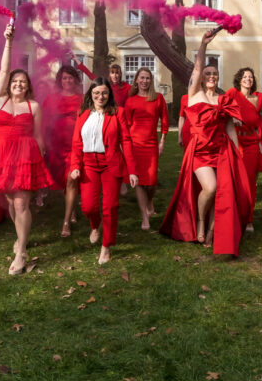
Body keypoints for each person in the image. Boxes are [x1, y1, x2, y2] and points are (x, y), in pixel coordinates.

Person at [160, 29, 251, 255]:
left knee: (223, 191)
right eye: (207, 74)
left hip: (221, 149)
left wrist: (237, 152)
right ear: (201, 77)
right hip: (200, 149)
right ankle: (200, 222)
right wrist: (203, 45)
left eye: (215, 74)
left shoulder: (223, 99)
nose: (211, 77)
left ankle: (212, 232)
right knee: (210, 188)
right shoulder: (194, 95)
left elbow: (229, 127)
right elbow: (198, 67)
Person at [0, 24, 53, 275]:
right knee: (11, 204)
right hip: (2, 156)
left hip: (25, 156)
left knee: (21, 204)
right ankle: (20, 236)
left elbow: (38, 135)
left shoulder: (33, 106)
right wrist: (8, 41)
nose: (18, 84)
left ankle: (22, 252)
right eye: (15, 81)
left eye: (23, 82)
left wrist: (41, 157)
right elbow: (4, 69)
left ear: (28, 86)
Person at [69, 78, 139, 264]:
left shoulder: (118, 113)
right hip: (88, 164)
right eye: (97, 93)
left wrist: (132, 170)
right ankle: (95, 225)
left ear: (110, 94)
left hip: (110, 164)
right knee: (88, 207)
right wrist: (75, 166)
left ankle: (106, 247)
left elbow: (126, 142)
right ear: (91, 95)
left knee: (110, 207)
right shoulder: (82, 114)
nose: (101, 96)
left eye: (105, 93)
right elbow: (76, 143)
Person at [124, 67, 169, 229]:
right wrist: (125, 147)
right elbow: (127, 126)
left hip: (151, 145)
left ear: (151, 81)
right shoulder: (130, 101)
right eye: (141, 78)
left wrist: (162, 141)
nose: (144, 81)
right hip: (135, 145)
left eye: (147, 78)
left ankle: (149, 201)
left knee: (152, 182)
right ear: (136, 80)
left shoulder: (158, 98)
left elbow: (164, 120)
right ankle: (145, 217)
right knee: (139, 181)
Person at [45, 61, 84, 237]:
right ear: (59, 80)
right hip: (57, 145)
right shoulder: (51, 99)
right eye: (64, 78)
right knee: (64, 180)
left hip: (76, 144)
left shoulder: (83, 99)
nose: (67, 81)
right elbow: (44, 122)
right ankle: (72, 208)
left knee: (72, 179)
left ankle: (67, 221)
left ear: (76, 80)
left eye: (70, 78)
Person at [227, 67, 262, 232]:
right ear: (239, 79)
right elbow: (222, 108)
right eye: (244, 76)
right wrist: (232, 117)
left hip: (252, 142)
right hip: (235, 141)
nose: (248, 79)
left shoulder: (258, 97)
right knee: (234, 179)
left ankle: (248, 219)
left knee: (250, 181)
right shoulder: (232, 94)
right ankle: (233, 214)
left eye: (250, 77)